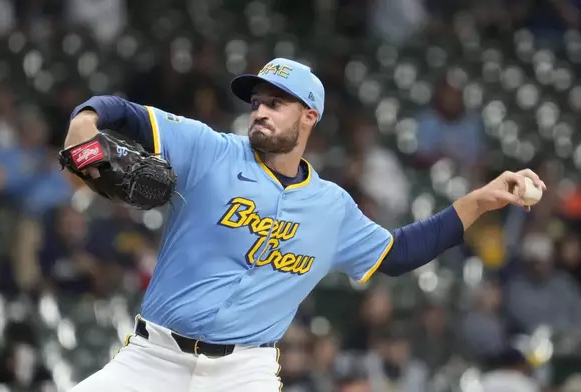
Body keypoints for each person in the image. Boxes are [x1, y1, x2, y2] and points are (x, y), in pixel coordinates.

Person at [62, 58, 546, 392]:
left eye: (277, 102)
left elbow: (398, 255)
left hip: (243, 372)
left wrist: (480, 201)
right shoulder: (208, 149)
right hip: (154, 358)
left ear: (308, 115)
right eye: (256, 101)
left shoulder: (331, 208)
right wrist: (85, 120)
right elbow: (120, 112)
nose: (261, 110)